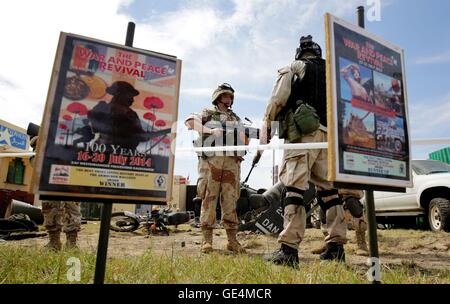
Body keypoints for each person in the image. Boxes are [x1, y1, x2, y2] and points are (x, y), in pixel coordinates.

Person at [261, 35, 347, 267]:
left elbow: (278, 99)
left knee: (294, 189)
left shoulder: (293, 67)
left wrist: (266, 126)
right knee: (330, 192)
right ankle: (336, 247)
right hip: (329, 138)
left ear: (299, 53)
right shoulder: (333, 73)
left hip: (302, 136)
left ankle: (288, 250)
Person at [184, 83, 246, 254]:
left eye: (231, 96)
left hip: (231, 163)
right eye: (226, 96)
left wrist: (241, 147)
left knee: (230, 200)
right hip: (212, 162)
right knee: (208, 199)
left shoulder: (236, 118)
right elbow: (189, 122)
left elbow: (243, 137)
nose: (229, 99)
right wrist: (210, 131)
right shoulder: (207, 113)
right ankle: (207, 240)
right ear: (218, 97)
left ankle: (232, 241)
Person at [87, 81, 147, 151]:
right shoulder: (102, 108)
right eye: (130, 96)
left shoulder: (132, 114)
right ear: (120, 95)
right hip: (106, 151)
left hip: (124, 152)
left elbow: (140, 135)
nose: (132, 100)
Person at [311, 189, 369, 256]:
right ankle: (330, 243)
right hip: (334, 195)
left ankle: (362, 245)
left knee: (352, 204)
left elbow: (359, 192)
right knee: (323, 211)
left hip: (349, 194)